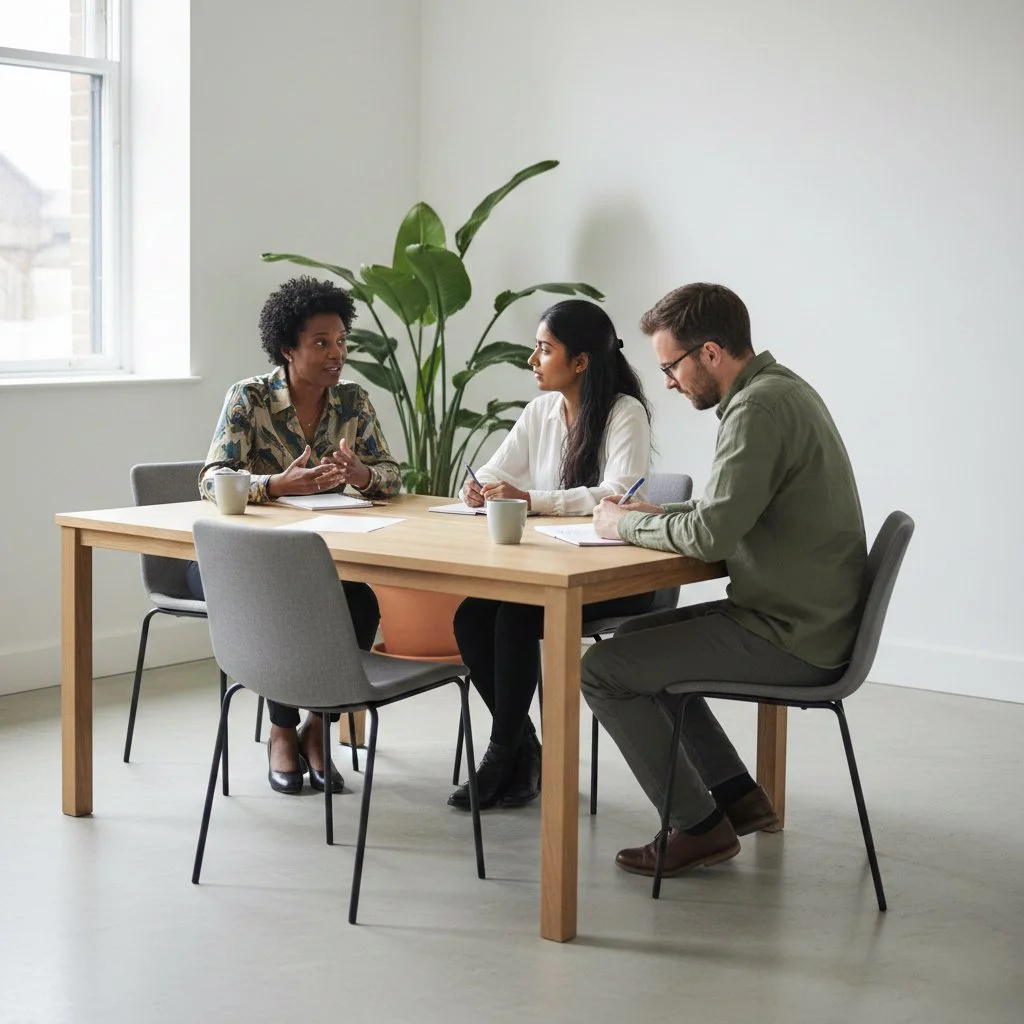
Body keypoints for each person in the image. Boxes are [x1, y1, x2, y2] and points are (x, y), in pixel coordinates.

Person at [583, 282, 868, 878]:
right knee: (636, 641)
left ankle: (698, 827)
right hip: (806, 618)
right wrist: (657, 518)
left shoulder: (757, 410)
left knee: (603, 671)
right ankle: (736, 795)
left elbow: (711, 538)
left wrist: (619, 527)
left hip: (793, 637)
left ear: (709, 353)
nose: (667, 381)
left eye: (670, 366)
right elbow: (724, 512)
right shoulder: (780, 389)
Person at [192, 275, 401, 796]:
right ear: (288, 349)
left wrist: (360, 476)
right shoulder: (249, 398)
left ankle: (317, 728)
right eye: (321, 344)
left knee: (359, 602)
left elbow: (391, 474)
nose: (337, 354)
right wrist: (275, 485)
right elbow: (212, 477)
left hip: (331, 550)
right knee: (289, 602)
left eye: (341, 341)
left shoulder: (352, 401)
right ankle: (281, 731)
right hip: (250, 563)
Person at [449, 299, 655, 812]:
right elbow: (491, 473)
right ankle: (524, 747)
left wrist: (530, 500)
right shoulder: (540, 411)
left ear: (580, 360)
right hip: (546, 568)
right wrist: (477, 491)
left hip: (610, 576)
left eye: (544, 349)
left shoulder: (624, 413)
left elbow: (618, 494)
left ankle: (500, 756)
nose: (532, 360)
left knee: (516, 617)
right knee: (473, 615)